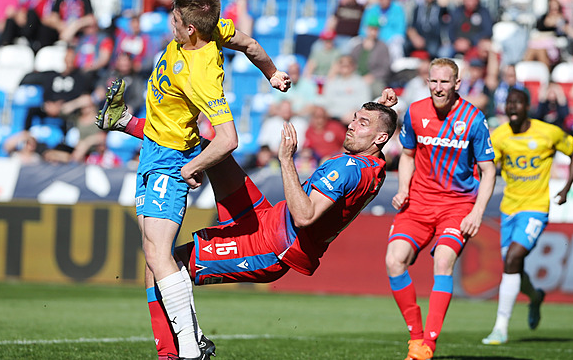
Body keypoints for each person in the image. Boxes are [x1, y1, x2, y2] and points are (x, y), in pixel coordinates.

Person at [99, 86, 399, 359]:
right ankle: (124, 122)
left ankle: (174, 353)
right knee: (209, 149)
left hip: (269, 247)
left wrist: (285, 160)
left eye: (362, 124)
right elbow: (380, 138)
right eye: (356, 118)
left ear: (380, 138)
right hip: (266, 217)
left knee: (160, 264)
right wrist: (384, 112)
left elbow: (304, 215)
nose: (351, 125)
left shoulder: (349, 169)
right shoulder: (375, 165)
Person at [95, 0, 291, 360]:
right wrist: (273, 73)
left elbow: (229, 138)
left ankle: (187, 349)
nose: (171, 22)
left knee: (157, 254)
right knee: (153, 255)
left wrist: (193, 166)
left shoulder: (201, 74)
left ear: (190, 30)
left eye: (175, 20)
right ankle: (193, 341)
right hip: (153, 150)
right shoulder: (214, 29)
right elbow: (249, 45)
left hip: (170, 160)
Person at [385, 57, 497, 360]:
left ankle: (428, 345)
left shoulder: (473, 119)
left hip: (457, 205)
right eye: (433, 81)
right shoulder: (415, 111)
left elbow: (489, 171)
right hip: (418, 202)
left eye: (444, 82)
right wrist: (403, 189)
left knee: (443, 261)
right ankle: (416, 337)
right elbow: (407, 155)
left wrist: (477, 212)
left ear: (457, 84)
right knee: (395, 261)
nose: (438, 87)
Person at [482, 87, 573, 345]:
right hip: (509, 208)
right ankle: (535, 296)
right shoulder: (500, 135)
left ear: (527, 106)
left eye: (517, 103)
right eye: (508, 103)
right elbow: (490, 167)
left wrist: (566, 188)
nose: (512, 108)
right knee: (511, 266)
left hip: (536, 207)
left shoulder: (548, 132)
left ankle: (500, 328)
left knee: (513, 258)